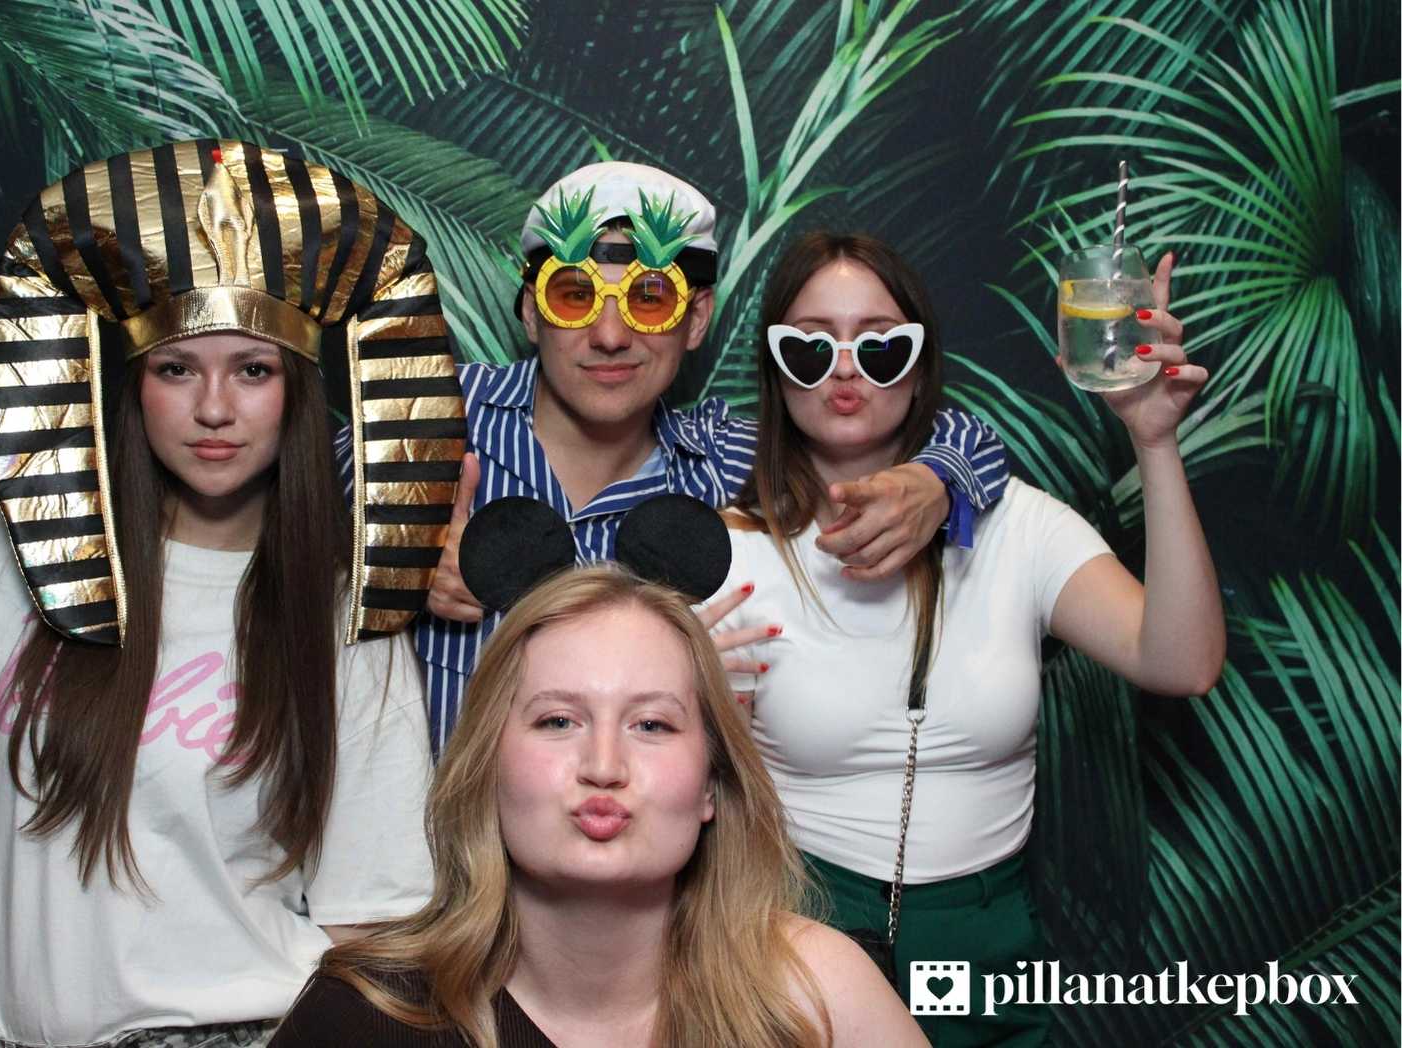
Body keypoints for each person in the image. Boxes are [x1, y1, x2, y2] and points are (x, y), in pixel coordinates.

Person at [0, 139, 466, 1048]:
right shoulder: (6, 543)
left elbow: (370, 914)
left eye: (253, 370)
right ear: (133, 383)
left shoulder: (346, 609)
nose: (214, 408)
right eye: (177, 368)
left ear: (296, 391)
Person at [707, 232, 1225, 1046]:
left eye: (880, 347)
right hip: (798, 927)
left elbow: (1182, 662)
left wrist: (1152, 442)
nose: (844, 370)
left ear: (919, 370)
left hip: (984, 935)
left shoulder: (1019, 525)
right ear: (775, 370)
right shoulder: (729, 548)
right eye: (808, 347)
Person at [336, 161, 1010, 755]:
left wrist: (934, 482)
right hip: (429, 851)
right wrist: (394, 551)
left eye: (649, 299)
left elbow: (964, 438)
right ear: (532, 314)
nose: (609, 335)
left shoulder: (723, 459)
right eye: (574, 296)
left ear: (696, 319)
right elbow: (292, 496)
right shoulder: (434, 417)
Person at [272, 566, 927, 1047]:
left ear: (711, 784)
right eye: (557, 721)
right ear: (487, 766)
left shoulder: (817, 995)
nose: (604, 766)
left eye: (652, 725)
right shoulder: (364, 1015)